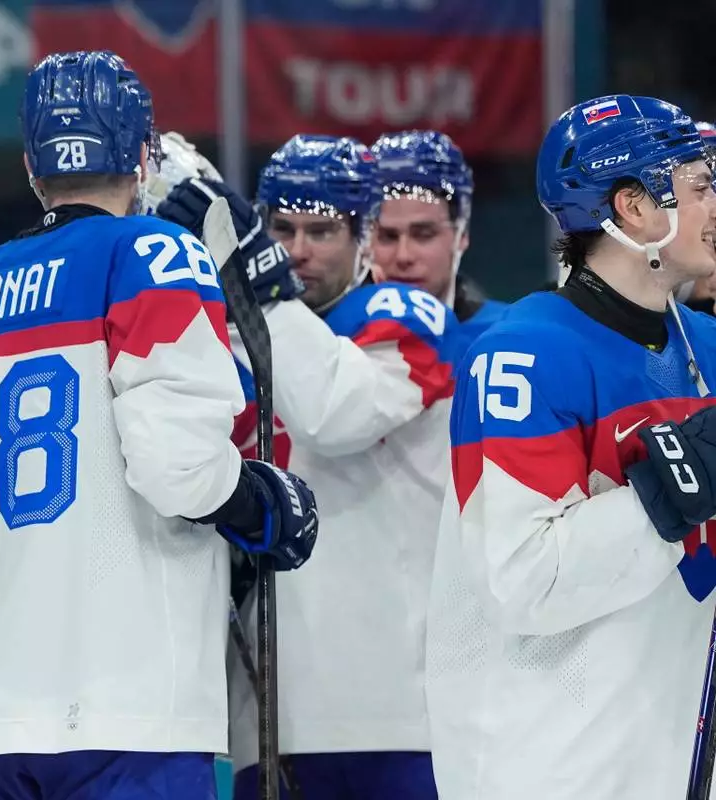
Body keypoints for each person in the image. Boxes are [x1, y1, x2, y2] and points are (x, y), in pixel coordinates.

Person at [0, 51, 318, 799]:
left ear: (31, 166)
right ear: (142, 155)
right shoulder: (153, 253)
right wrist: (262, 505)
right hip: (126, 704)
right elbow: (179, 466)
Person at [425, 95, 716, 800]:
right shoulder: (526, 353)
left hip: (668, 755)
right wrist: (672, 484)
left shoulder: (704, 347)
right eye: (702, 186)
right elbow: (524, 580)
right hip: (546, 767)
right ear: (635, 207)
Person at [156, 133, 458, 799]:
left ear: (363, 238)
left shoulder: (404, 316)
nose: (297, 249)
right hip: (263, 718)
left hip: (395, 717)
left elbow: (333, 412)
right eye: (280, 229)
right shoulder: (227, 337)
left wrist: (254, 282)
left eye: (322, 230)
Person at [369, 130, 506, 361]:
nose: (404, 256)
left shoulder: (506, 338)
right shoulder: (332, 339)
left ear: (462, 234)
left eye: (423, 235)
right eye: (387, 236)